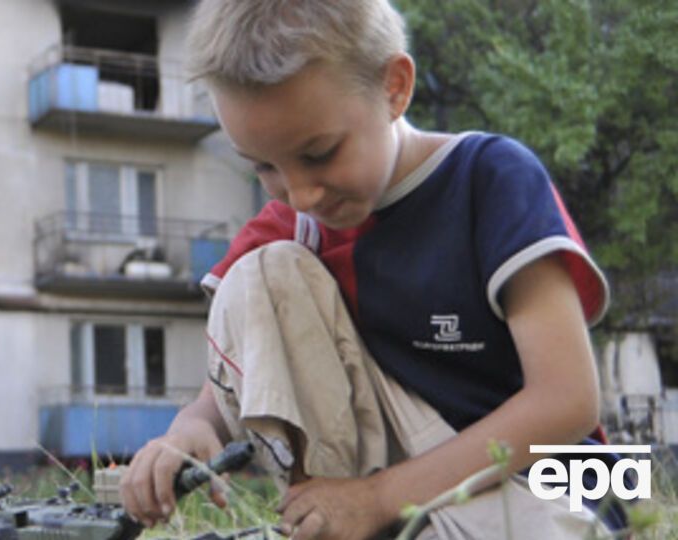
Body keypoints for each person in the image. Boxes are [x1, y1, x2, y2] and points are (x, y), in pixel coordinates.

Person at [120, 1, 623, 538]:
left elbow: (569, 399)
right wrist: (192, 428)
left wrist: (381, 497)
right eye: (264, 166)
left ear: (394, 88)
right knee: (259, 273)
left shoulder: (490, 178)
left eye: (320, 153)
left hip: (552, 482)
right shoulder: (292, 227)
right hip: (401, 491)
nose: (301, 193)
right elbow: (228, 386)